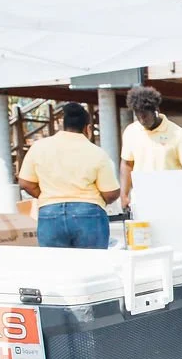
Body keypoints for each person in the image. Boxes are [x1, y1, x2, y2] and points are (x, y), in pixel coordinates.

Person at [17, 102, 120, 249]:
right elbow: (111, 194)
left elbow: (25, 183)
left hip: (50, 214)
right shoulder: (97, 153)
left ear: (63, 126)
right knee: (93, 262)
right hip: (88, 214)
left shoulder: (39, 147)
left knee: (56, 264)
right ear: (88, 128)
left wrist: (48, 196)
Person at [119, 85, 182, 210]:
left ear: (156, 110)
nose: (142, 120)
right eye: (138, 116)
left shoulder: (178, 133)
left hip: (171, 199)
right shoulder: (131, 132)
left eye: (145, 116)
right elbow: (127, 164)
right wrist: (124, 195)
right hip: (142, 198)